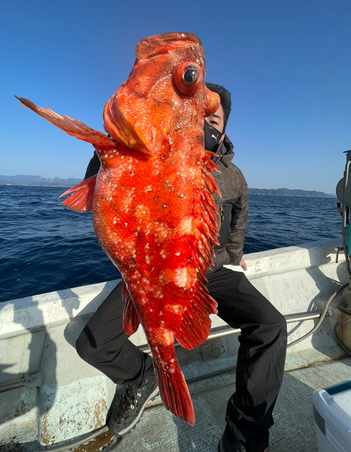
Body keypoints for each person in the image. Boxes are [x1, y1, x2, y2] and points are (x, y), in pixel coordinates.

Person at [76, 83, 287, 452]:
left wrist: (234, 258)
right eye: (197, 115)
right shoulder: (159, 153)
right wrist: (110, 144)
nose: (204, 124)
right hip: (157, 268)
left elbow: (239, 222)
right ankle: (141, 375)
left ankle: (245, 436)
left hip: (214, 271)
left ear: (224, 127)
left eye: (213, 119)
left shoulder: (234, 177)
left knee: (271, 325)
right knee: (94, 343)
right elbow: (108, 180)